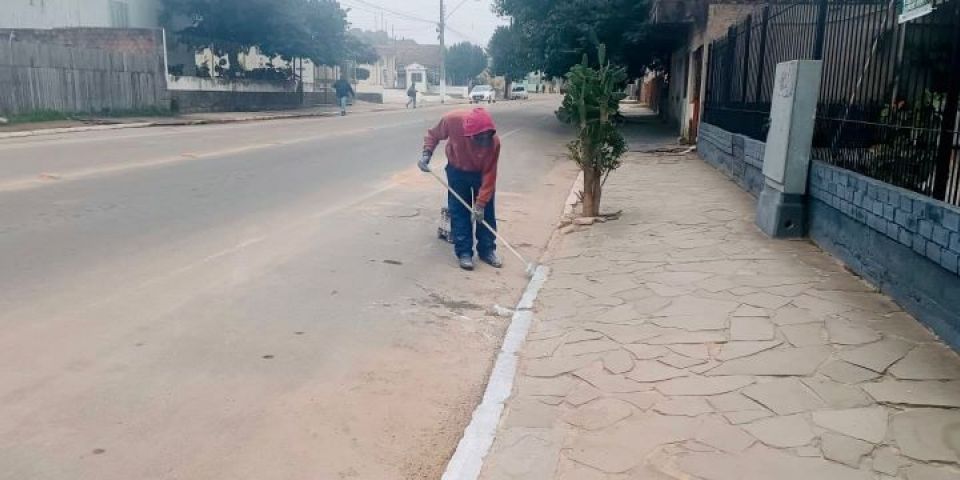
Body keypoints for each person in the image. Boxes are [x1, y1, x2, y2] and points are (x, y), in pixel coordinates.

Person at [418, 108, 501, 271]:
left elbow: (490, 175)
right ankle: (464, 252)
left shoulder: (494, 143)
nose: (484, 142)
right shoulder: (451, 120)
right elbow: (433, 135)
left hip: (481, 174)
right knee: (459, 211)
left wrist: (480, 204)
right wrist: (426, 154)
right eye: (479, 139)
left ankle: (487, 250)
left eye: (487, 138)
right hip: (457, 170)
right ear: (469, 134)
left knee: (486, 213)